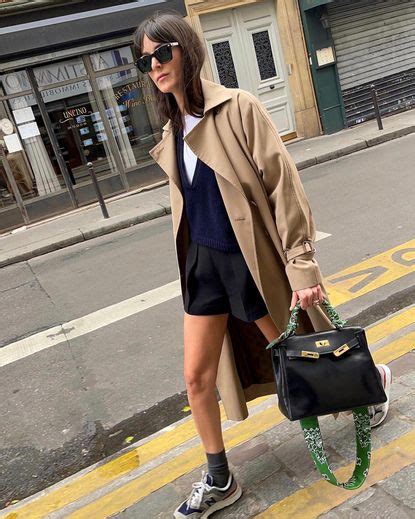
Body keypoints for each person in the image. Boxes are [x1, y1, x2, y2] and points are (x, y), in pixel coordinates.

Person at [133, 11, 392, 518]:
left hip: (248, 260)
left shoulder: (238, 108)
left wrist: (301, 264)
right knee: (196, 378)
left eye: (162, 53)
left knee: (299, 358)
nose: (155, 66)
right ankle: (219, 478)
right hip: (202, 265)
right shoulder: (172, 130)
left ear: (186, 49)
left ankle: (371, 383)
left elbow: (283, 186)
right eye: (146, 61)